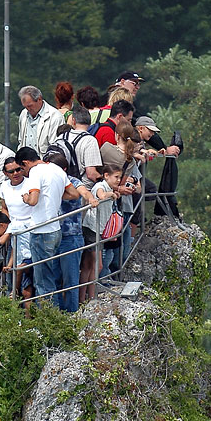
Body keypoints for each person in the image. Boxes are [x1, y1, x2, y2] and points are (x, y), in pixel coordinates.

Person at [14, 147, 96, 305]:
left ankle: (49, 318)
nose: (22, 173)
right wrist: (54, 196)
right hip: (56, 230)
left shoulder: (35, 172)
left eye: (21, 169)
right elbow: (74, 194)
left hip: (40, 230)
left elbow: (33, 200)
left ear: (25, 163)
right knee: (52, 276)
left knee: (43, 280)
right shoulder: (57, 170)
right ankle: (57, 315)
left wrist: (25, 198)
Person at [100, 120, 147, 270]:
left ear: (117, 135)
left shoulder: (105, 148)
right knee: (120, 244)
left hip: (103, 199)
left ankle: (103, 277)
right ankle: (114, 273)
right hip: (121, 206)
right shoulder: (129, 160)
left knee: (104, 243)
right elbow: (122, 184)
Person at [45, 152, 86, 313]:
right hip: (52, 236)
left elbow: (81, 193)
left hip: (71, 236)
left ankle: (71, 313)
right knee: (53, 278)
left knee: (70, 279)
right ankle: (56, 315)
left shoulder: (74, 182)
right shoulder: (46, 184)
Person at [79, 163, 124, 303]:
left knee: (88, 265)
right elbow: (101, 196)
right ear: (106, 176)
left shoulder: (108, 187)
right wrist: (111, 194)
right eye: (116, 177)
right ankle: (91, 297)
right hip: (92, 228)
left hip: (96, 229)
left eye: (120, 177)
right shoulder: (100, 186)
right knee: (97, 265)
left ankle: (82, 298)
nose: (118, 180)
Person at [0, 158, 35, 303]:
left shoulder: (30, 182)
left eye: (18, 169)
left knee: (27, 271)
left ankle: (17, 292)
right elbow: (4, 207)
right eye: (11, 171)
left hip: (31, 228)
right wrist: (7, 226)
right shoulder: (5, 187)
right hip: (15, 230)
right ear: (6, 173)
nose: (16, 173)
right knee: (12, 267)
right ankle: (14, 295)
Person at [17, 85, 63, 157]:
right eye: (25, 107)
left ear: (39, 99)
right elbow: (21, 141)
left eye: (30, 106)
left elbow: (56, 146)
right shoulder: (23, 114)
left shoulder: (55, 116)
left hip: (45, 162)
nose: (28, 109)